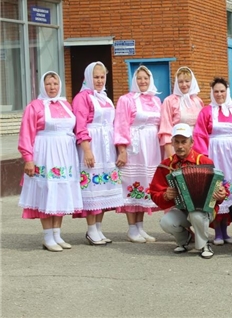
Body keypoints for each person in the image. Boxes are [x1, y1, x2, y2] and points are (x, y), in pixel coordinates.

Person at [18, 71, 84, 252]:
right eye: (48, 84)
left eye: (55, 83)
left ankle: (57, 234)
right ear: (42, 86)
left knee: (61, 190)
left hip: (65, 155)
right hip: (45, 153)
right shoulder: (35, 106)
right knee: (47, 192)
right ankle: (48, 236)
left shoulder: (66, 104)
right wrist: (28, 159)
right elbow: (26, 134)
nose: (52, 87)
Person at [149, 123, 227, 259]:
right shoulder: (165, 166)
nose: (180, 146)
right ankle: (185, 239)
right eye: (177, 142)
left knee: (196, 214)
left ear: (192, 142)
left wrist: (221, 194)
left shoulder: (204, 161)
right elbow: (154, 193)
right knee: (166, 222)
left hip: (204, 210)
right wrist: (166, 196)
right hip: (181, 209)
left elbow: (220, 186)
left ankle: (204, 244)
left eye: (184, 142)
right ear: (172, 143)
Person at [73, 62, 123, 245]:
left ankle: (99, 229)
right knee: (93, 188)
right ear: (88, 78)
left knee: (103, 188)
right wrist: (87, 150)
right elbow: (80, 126)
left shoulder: (106, 98)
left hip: (106, 146)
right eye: (96, 77)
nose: (100, 81)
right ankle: (91, 229)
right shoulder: (82, 97)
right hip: (93, 145)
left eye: (102, 77)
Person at [114, 66, 161, 243]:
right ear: (134, 80)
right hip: (135, 146)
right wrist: (122, 150)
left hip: (151, 147)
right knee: (131, 184)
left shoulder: (156, 100)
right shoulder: (126, 100)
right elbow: (121, 124)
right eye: (139, 78)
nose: (143, 81)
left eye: (146, 78)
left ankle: (140, 227)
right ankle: (132, 228)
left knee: (144, 185)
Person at [193, 77, 232, 245]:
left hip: (230, 156)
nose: (219, 94)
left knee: (230, 191)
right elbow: (199, 135)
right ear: (212, 93)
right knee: (215, 190)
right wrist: (204, 158)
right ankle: (217, 231)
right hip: (213, 153)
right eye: (216, 91)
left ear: (227, 92)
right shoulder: (206, 111)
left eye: (222, 91)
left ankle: (226, 231)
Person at [158, 67, 204, 158]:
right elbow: (165, 128)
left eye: (187, 81)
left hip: (195, 145)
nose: (184, 84)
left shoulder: (198, 101)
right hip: (177, 146)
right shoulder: (169, 101)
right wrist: (171, 155)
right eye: (180, 82)